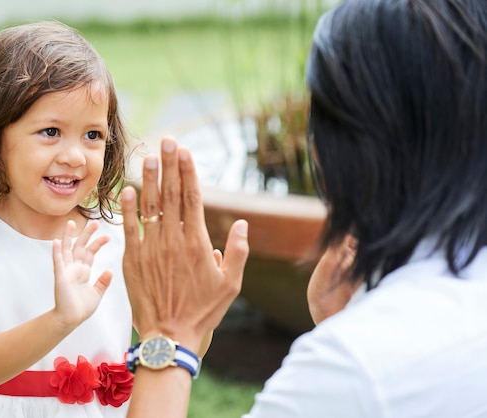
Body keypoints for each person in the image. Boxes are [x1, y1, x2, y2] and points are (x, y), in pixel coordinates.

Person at [119, 0, 487, 417]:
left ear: (348, 149)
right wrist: (345, 321)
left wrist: (168, 336)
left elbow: (372, 381)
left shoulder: (353, 369)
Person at [0, 21, 135, 417]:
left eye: (93, 135)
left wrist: (200, 313)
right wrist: (60, 320)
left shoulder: (117, 238)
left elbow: (170, 337)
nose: (75, 156)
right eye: (51, 131)